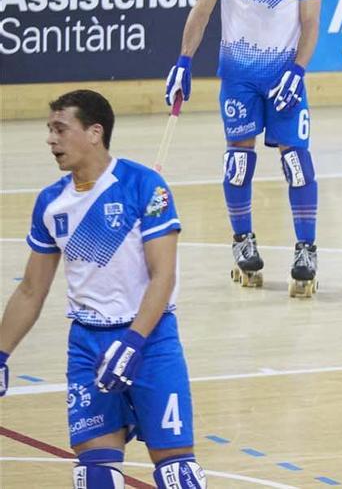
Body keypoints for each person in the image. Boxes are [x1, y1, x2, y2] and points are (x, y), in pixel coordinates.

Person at [0, 90, 206, 488]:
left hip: (150, 341)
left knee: (176, 469)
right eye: (49, 130)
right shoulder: (51, 203)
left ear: (95, 132)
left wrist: (132, 343)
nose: (51, 140)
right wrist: (0, 352)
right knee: (95, 472)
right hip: (88, 346)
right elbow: (30, 290)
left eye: (60, 129)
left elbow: (163, 276)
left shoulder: (144, 186)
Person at [165, 0, 326, 296]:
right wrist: (183, 61)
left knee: (296, 162)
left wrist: (298, 70)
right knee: (239, 162)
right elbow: (200, 14)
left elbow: (310, 25)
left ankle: (306, 249)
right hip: (238, 80)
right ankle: (242, 241)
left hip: (283, 80)